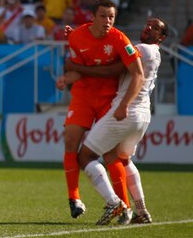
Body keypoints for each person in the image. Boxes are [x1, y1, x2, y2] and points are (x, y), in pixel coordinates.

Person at [66, 18, 167, 225]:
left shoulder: (141, 49)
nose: (149, 28)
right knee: (123, 159)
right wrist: (77, 39)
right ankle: (141, 210)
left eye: (155, 28)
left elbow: (107, 69)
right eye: (148, 24)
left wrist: (80, 53)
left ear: (161, 38)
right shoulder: (155, 54)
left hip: (124, 111)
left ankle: (114, 202)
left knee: (85, 157)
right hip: (143, 114)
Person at [56, 0, 143, 219]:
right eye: (103, 16)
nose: (107, 21)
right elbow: (78, 70)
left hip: (109, 99)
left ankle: (125, 206)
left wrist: (125, 105)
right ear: (92, 17)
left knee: (109, 152)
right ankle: (74, 198)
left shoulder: (119, 39)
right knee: (70, 140)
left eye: (111, 17)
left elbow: (136, 72)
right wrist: (67, 79)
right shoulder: (76, 36)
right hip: (83, 95)